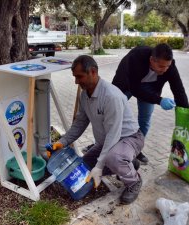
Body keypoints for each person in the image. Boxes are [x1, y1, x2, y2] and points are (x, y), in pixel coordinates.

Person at [50, 55, 145, 204]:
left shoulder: (111, 96)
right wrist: (63, 142)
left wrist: (99, 167)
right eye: (75, 77)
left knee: (111, 158)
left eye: (79, 77)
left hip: (130, 138)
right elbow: (80, 123)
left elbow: (114, 135)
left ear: (93, 72)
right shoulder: (84, 96)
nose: (76, 81)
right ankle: (129, 165)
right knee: (84, 166)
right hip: (108, 142)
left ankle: (134, 182)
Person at [112, 43, 189, 164]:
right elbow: (135, 89)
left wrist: (186, 115)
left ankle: (135, 149)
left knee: (145, 120)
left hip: (150, 88)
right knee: (112, 112)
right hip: (126, 84)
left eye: (167, 66)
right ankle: (101, 145)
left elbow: (178, 90)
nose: (164, 70)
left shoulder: (169, 66)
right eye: (161, 66)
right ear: (151, 60)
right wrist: (160, 100)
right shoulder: (135, 58)